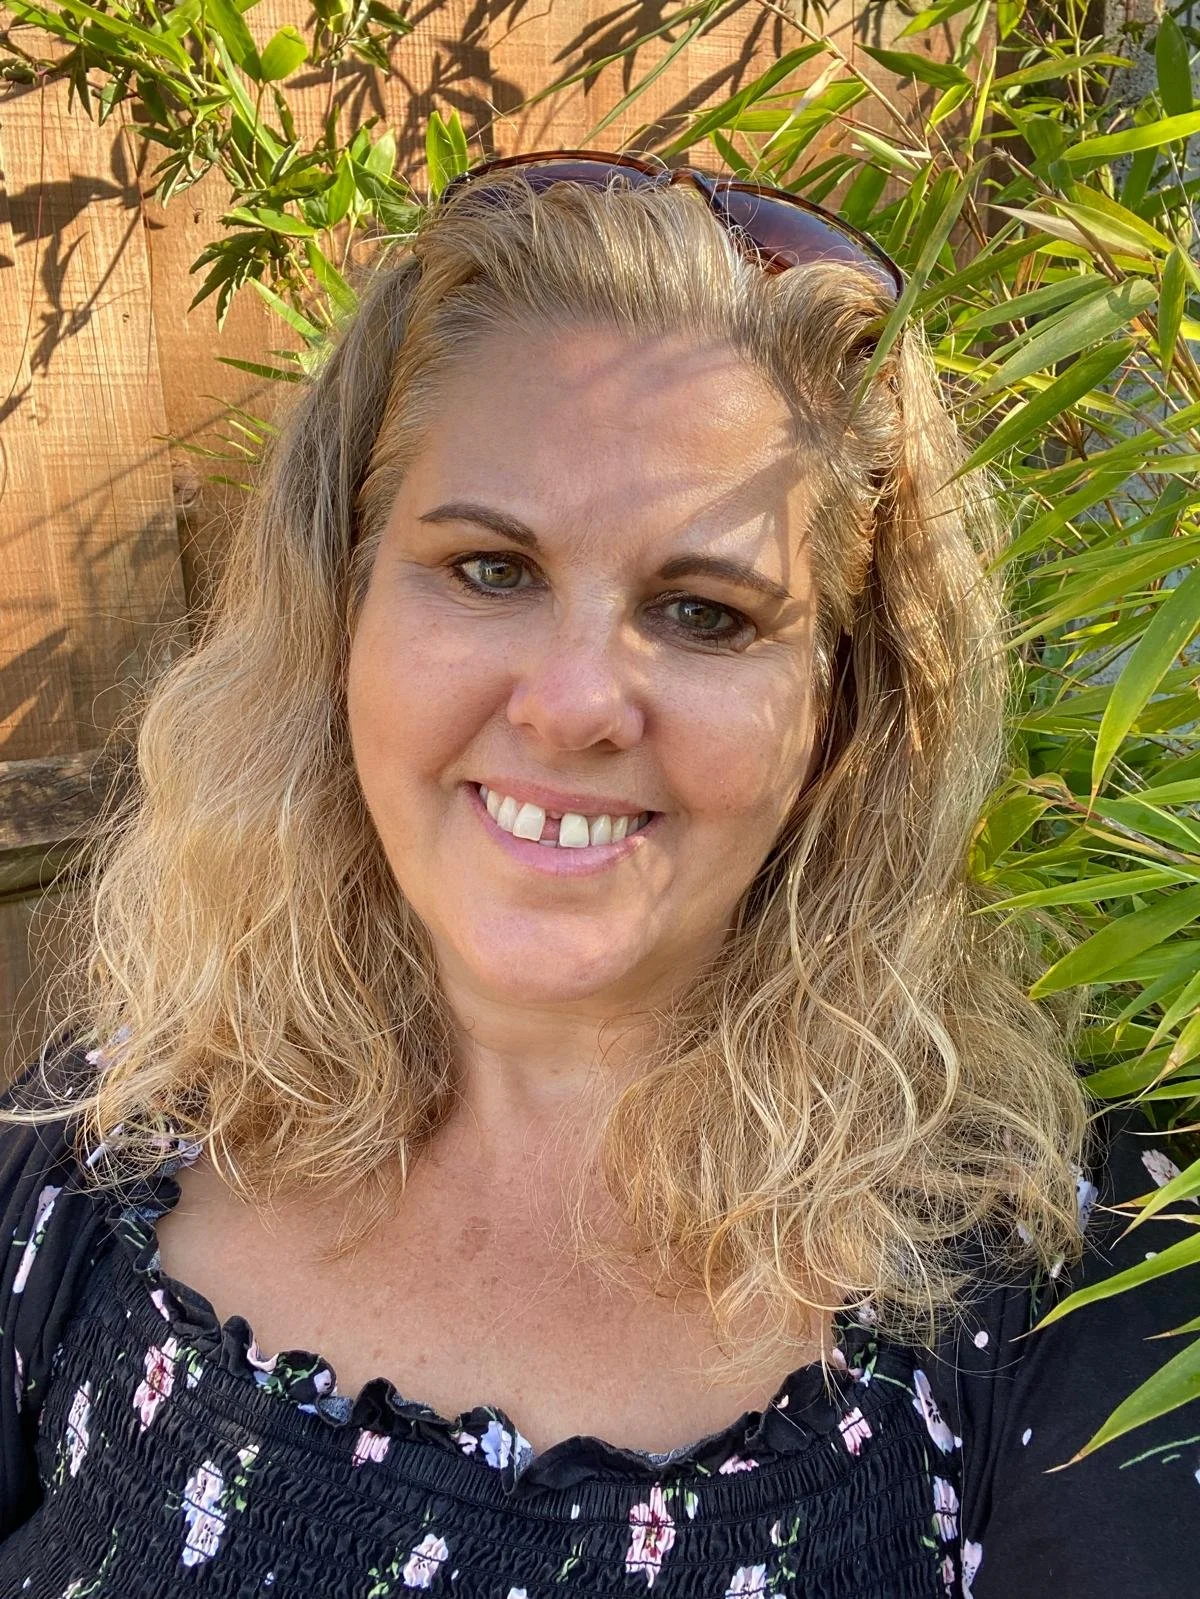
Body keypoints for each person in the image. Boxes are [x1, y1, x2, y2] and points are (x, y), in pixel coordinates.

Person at [0, 152, 1195, 1599]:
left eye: (703, 612)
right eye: (491, 569)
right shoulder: (96, 1152)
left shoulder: (1079, 1296)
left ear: (845, 706)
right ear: (342, 609)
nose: (574, 705)